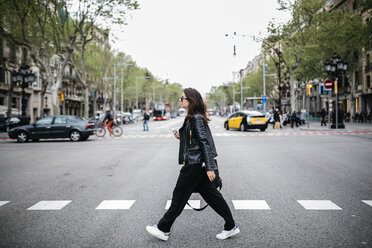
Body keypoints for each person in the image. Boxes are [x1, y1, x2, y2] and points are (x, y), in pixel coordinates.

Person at [146, 88, 239, 241]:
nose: (180, 100)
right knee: (214, 197)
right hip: (197, 164)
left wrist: (210, 167)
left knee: (179, 197)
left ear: (190, 100)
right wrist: (181, 137)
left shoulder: (196, 118)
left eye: (182, 98)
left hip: (195, 165)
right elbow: (196, 140)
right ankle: (231, 226)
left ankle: (163, 228)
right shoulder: (193, 117)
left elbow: (204, 142)